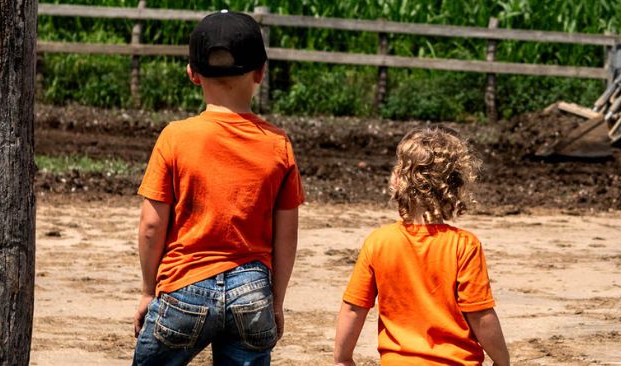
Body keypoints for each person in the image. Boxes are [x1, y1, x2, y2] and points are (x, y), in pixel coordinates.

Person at [132, 10, 303, 366]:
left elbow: (151, 226)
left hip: (184, 287)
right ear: (261, 72)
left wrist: (149, 291)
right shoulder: (278, 144)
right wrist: (275, 302)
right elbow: (286, 237)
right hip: (252, 292)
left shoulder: (175, 137)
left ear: (192, 73)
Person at [331, 127, 511, 366]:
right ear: (453, 185)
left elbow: (354, 308)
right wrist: (502, 361)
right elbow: (480, 315)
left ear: (397, 180)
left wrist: (343, 358)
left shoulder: (379, 242)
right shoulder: (464, 245)